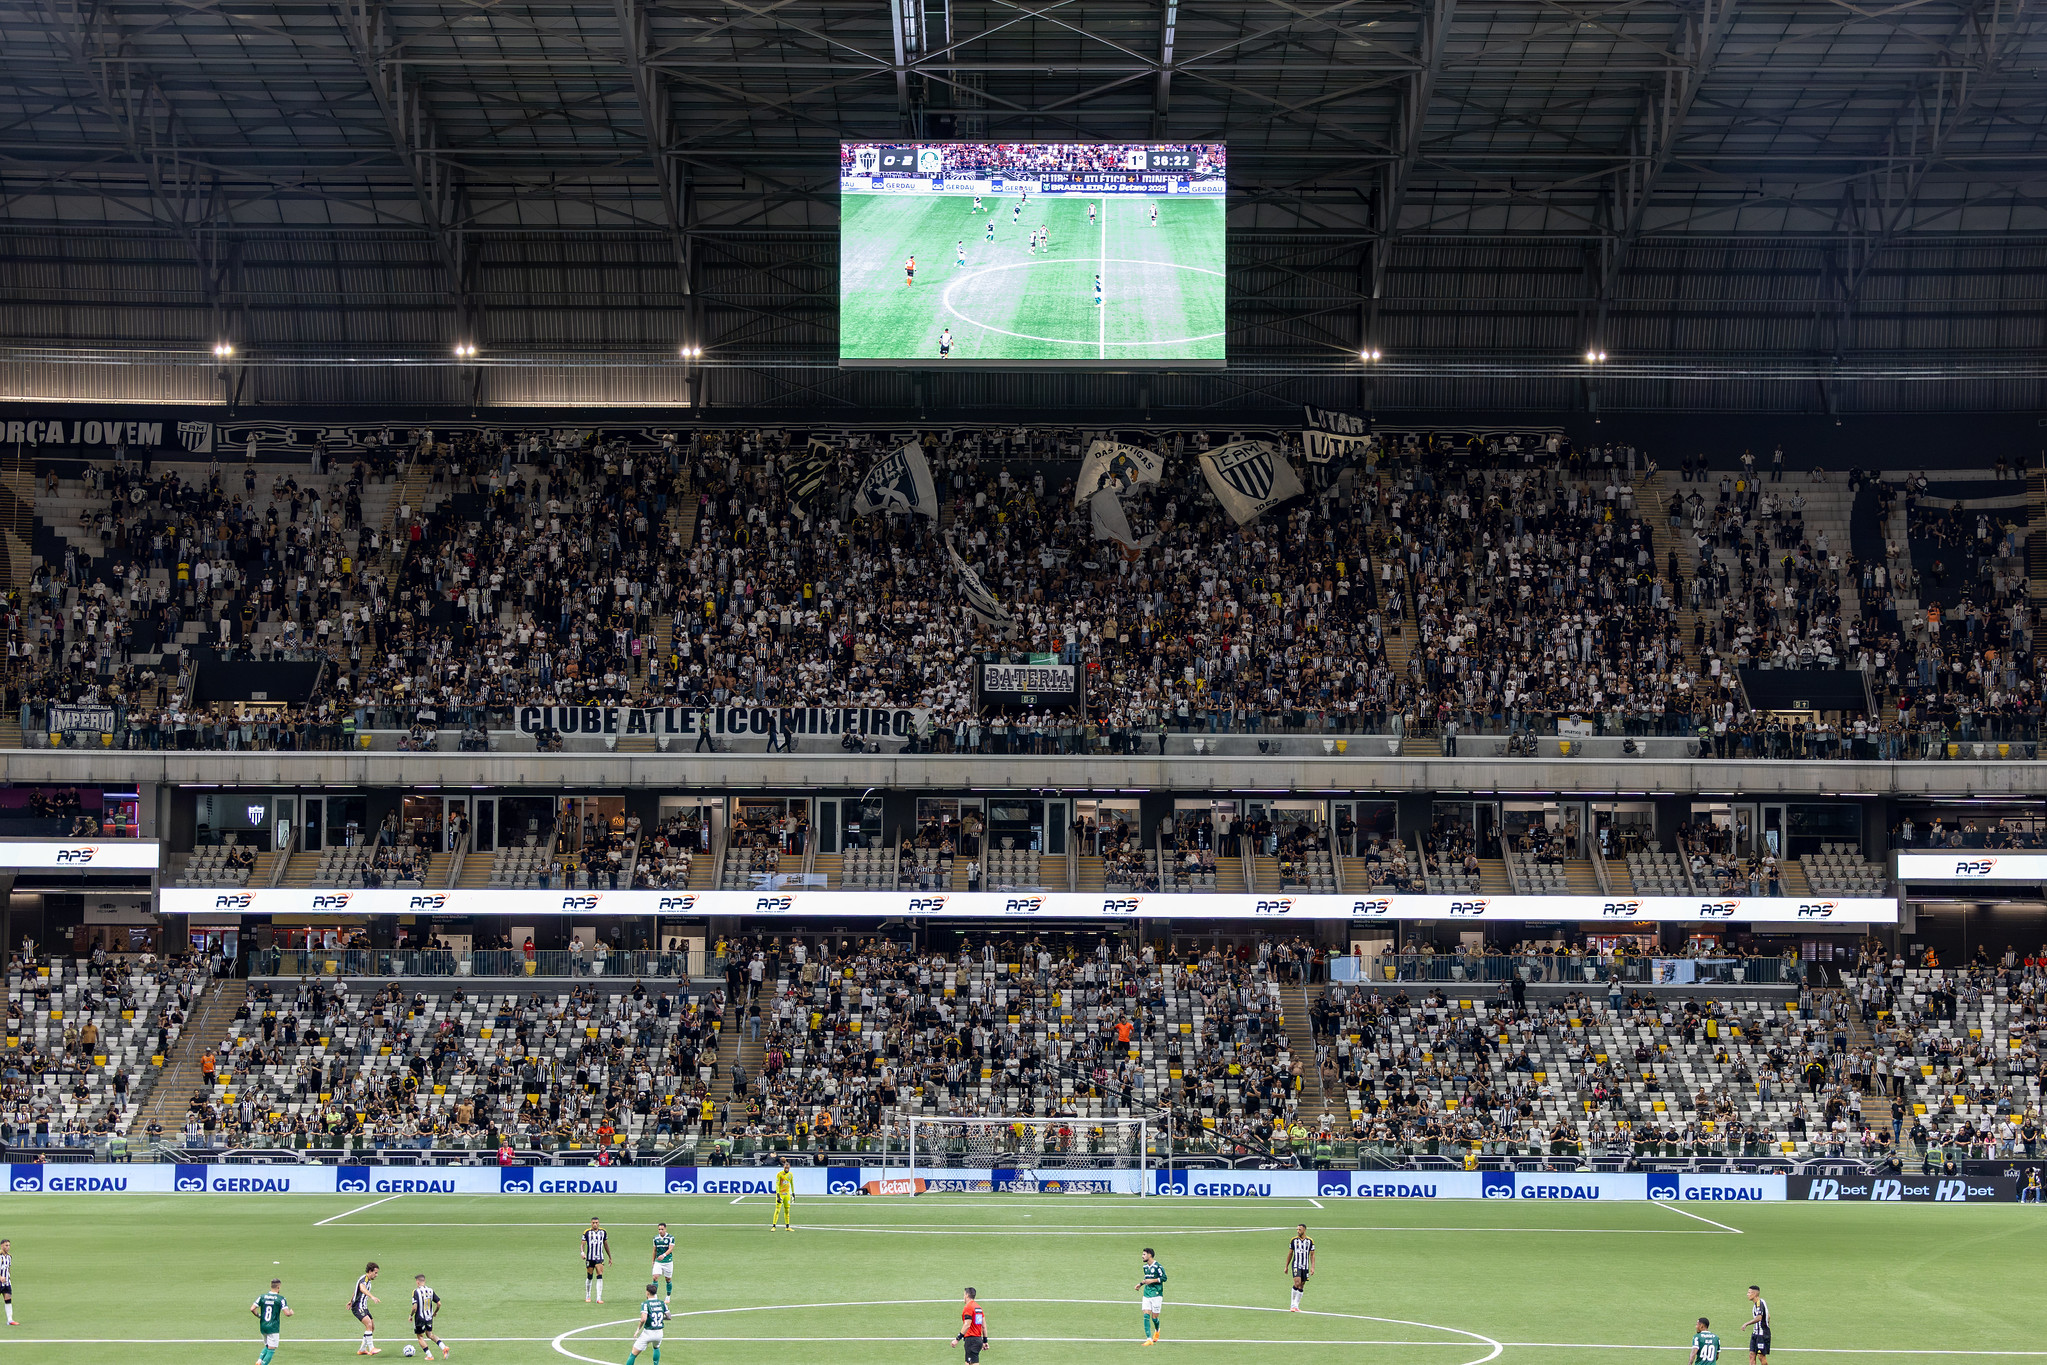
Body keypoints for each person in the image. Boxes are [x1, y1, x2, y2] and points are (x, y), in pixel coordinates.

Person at [624, 1283, 669, 1365]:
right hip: (659, 1333)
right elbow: (669, 1317)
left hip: (648, 1333)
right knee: (656, 1347)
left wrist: (637, 1330)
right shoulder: (662, 1303)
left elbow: (643, 1319)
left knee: (633, 1354)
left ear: (648, 1293)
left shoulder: (646, 1304)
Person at [251, 1277, 291, 1365]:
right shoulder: (281, 1299)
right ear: (279, 1287)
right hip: (273, 1327)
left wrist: (259, 1316)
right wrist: (291, 1313)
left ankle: (259, 1360)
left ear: (271, 1286)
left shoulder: (262, 1297)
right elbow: (287, 1313)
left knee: (267, 1346)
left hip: (263, 1326)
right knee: (271, 1349)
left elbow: (252, 1308)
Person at [410, 1275, 447, 1360]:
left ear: (417, 1282)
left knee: (420, 1336)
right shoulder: (430, 1290)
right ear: (424, 1281)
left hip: (420, 1317)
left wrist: (411, 1315)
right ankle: (444, 1347)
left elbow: (414, 1307)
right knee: (430, 1334)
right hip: (429, 1317)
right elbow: (439, 1303)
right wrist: (435, 1312)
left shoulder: (416, 1291)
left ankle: (430, 1356)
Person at [1136, 1247, 1166, 1345]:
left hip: (1157, 1294)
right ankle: (1149, 1339)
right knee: (1146, 1314)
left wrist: (1152, 1281)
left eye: (1144, 1254)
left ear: (1149, 1255)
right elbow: (1147, 1278)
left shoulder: (1158, 1266)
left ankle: (1157, 1330)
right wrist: (1140, 1284)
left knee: (1154, 1317)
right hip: (1147, 1293)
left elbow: (1164, 1278)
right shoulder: (1145, 1267)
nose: (1142, 1256)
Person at [350, 1262, 381, 1356]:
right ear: (370, 1271)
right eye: (375, 1273)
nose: (376, 1275)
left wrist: (350, 1300)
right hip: (358, 1307)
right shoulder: (364, 1279)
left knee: (372, 1327)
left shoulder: (368, 1280)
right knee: (368, 1324)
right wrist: (372, 1297)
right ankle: (371, 1348)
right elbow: (362, 1289)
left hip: (363, 1307)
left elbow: (356, 1291)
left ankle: (362, 1349)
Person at [955, 1287, 989, 1363]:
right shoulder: (979, 1308)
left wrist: (957, 1339)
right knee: (968, 1362)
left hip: (971, 1340)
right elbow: (983, 1326)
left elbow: (967, 1325)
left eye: (964, 1295)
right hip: (978, 1340)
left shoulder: (968, 1307)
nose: (963, 1297)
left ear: (967, 1295)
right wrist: (985, 1341)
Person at [1286, 1224, 1314, 1311]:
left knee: (1301, 1285)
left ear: (1304, 1230)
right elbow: (1290, 1253)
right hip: (1296, 1265)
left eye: (1300, 1229)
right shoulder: (1293, 1240)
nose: (1298, 1231)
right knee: (1297, 1283)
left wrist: (1312, 1267)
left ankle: (1296, 1306)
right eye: (1297, 1229)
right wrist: (1286, 1266)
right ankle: (1292, 1305)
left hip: (1305, 1266)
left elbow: (1312, 1255)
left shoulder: (1310, 1241)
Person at [583, 1218, 612, 1303]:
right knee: (589, 1276)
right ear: (591, 1223)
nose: (595, 1224)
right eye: (593, 1223)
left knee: (599, 1275)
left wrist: (610, 1257)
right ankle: (588, 1295)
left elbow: (606, 1245)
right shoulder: (587, 1232)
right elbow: (582, 1244)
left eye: (596, 1223)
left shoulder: (603, 1232)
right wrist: (582, 1252)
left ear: (599, 1223)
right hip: (589, 1257)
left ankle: (599, 1297)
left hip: (599, 1257)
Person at [1745, 1286, 1770, 1365]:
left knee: (1761, 1356)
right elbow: (1768, 1316)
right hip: (1756, 1333)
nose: (1747, 1294)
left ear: (1755, 1294)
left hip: (1762, 1334)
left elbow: (1759, 1318)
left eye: (1749, 1292)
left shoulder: (1759, 1303)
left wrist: (1746, 1324)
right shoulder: (1757, 1303)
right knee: (1752, 1355)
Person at [651, 1223, 675, 1303]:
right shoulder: (655, 1238)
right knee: (655, 1277)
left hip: (668, 1261)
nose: (660, 1231)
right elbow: (654, 1250)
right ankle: (654, 1296)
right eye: (659, 1229)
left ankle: (668, 1296)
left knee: (668, 1279)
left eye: (662, 1229)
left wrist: (664, 1255)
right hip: (658, 1261)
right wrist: (653, 1261)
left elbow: (670, 1249)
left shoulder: (670, 1238)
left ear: (665, 1229)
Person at [772, 1159, 795, 1232]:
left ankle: (787, 1226)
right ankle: (774, 1226)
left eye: (788, 1167)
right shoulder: (779, 1174)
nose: (787, 1168)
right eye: (785, 1167)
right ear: (783, 1167)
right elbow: (777, 1185)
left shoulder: (790, 1174)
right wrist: (778, 1195)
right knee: (778, 1210)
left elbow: (792, 1184)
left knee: (787, 1210)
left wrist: (793, 1193)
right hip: (781, 1194)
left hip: (787, 1194)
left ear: (789, 1167)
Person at [0, 1238, 12, 1326]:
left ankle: (10, 1320)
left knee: (8, 1299)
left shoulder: (9, 1256)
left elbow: (8, 1268)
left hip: (7, 1282)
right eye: (6, 1245)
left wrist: (8, 1277)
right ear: (1, 1246)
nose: (8, 1247)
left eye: (9, 1245)